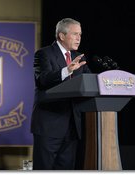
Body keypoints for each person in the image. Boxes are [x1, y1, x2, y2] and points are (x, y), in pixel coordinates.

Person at [31, 18, 91, 170]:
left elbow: (90, 82)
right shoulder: (43, 54)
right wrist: (67, 70)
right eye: (75, 34)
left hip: (72, 127)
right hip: (49, 125)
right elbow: (42, 80)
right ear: (61, 36)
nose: (79, 38)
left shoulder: (79, 57)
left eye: (80, 34)